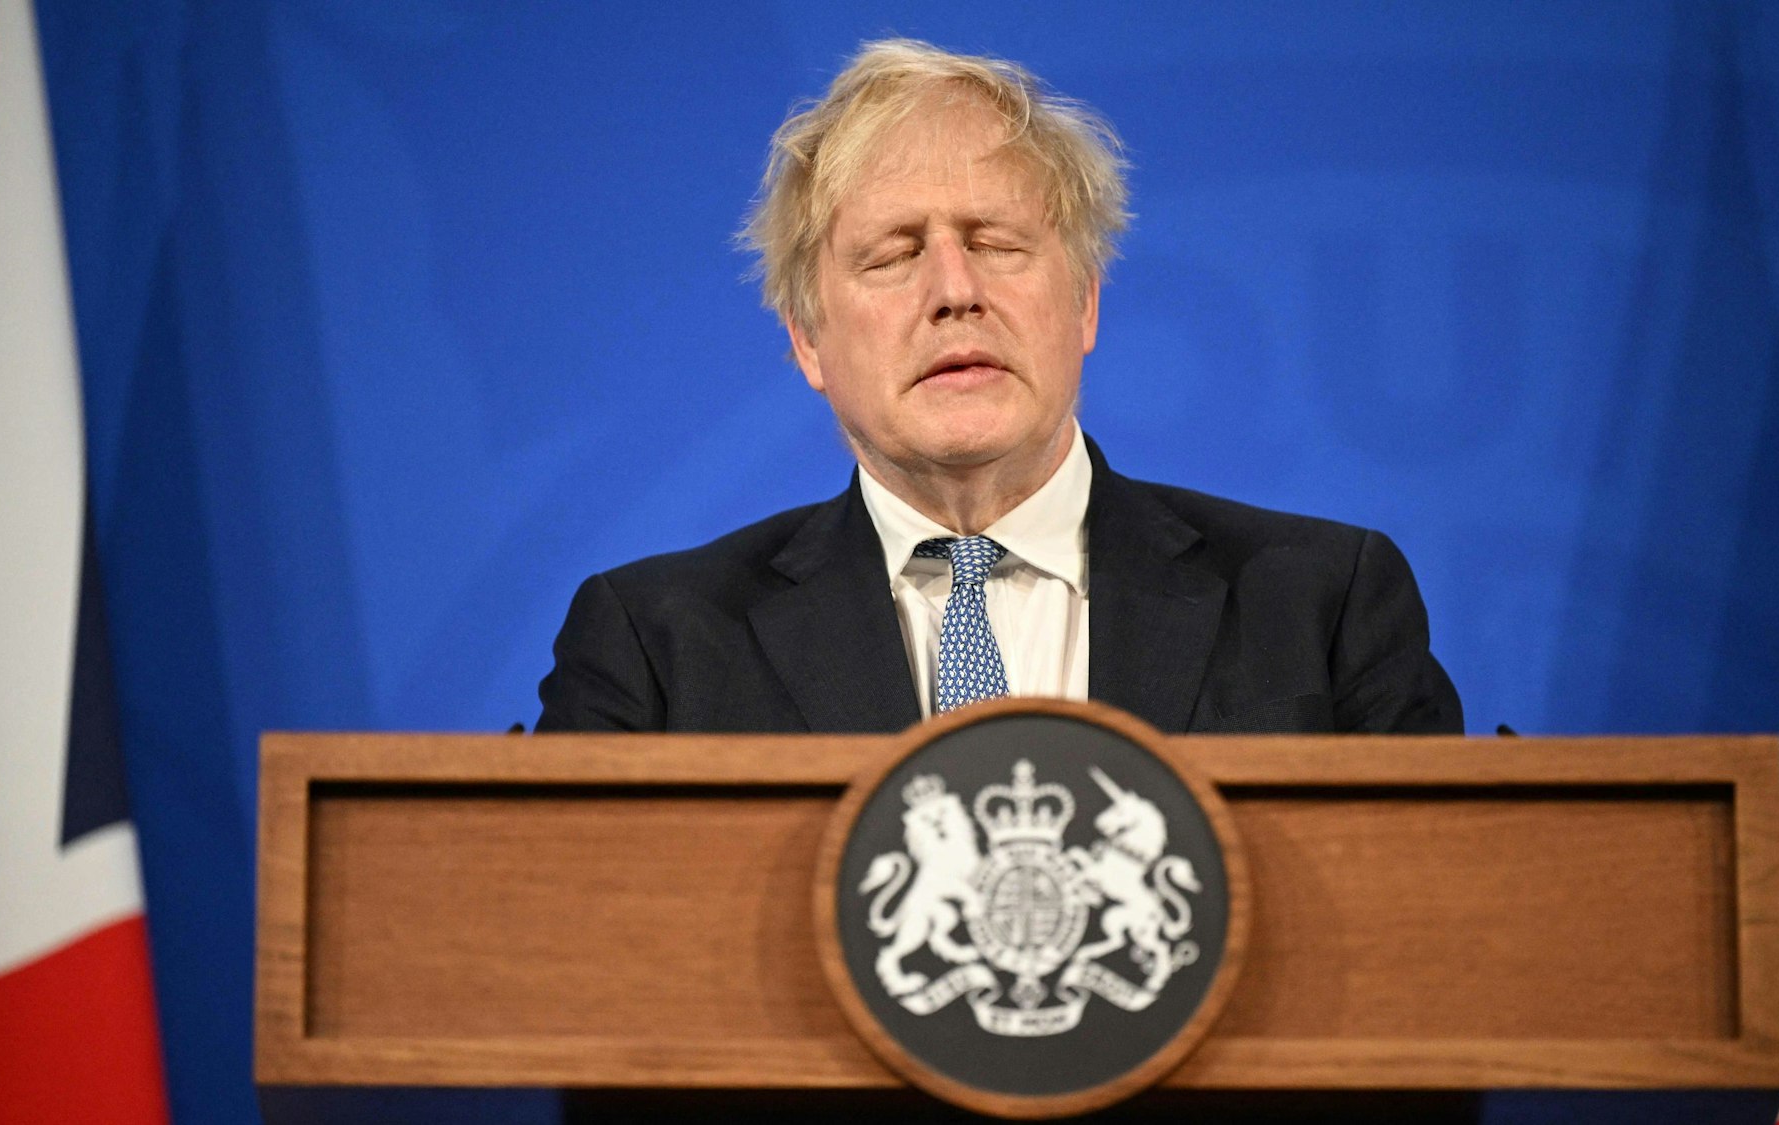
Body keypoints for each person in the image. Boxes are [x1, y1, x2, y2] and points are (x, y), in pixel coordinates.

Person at [535, 39, 1460, 737]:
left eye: (995, 243)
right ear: (808, 342)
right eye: (894, 256)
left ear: (1086, 303)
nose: (954, 291)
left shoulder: (1320, 604)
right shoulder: (656, 647)